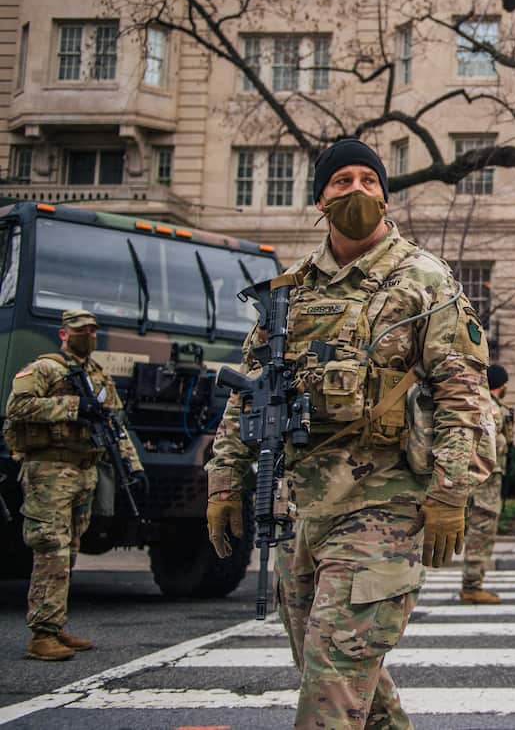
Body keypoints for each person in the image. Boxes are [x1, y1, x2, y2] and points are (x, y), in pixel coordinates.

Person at [205, 138, 489, 728]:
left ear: (385, 195)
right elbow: (248, 390)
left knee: (330, 693)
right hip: (301, 509)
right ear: (320, 199)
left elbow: (463, 395)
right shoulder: (289, 291)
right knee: (332, 670)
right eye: (341, 181)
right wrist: (224, 479)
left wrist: (449, 493)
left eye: (368, 179)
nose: (356, 190)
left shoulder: (425, 280)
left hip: (382, 509)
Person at [6, 309, 146, 662]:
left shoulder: (97, 375)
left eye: (92, 330)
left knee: (68, 552)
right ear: (64, 333)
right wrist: (73, 406)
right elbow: (17, 407)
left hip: (84, 471)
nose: (88, 335)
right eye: (81, 330)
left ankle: (54, 625)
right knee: (50, 548)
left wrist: (133, 466)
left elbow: (115, 425)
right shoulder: (43, 369)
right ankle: (41, 635)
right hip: (49, 470)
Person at [460, 364, 515, 603]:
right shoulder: (491, 408)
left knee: (480, 531)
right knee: (481, 532)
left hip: (482, 479)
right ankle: (471, 586)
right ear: (501, 386)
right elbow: (487, 444)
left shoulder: (482, 402)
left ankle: (473, 583)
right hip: (485, 482)